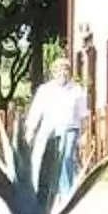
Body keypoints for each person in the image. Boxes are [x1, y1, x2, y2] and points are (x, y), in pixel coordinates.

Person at [24, 55, 89, 183]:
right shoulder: (45, 90)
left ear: (69, 72)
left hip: (70, 129)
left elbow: (83, 114)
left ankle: (66, 191)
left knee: (65, 157)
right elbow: (36, 111)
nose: (62, 73)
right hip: (49, 130)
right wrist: (30, 131)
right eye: (58, 70)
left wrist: (84, 134)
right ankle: (46, 189)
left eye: (65, 70)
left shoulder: (76, 90)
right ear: (53, 73)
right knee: (43, 158)